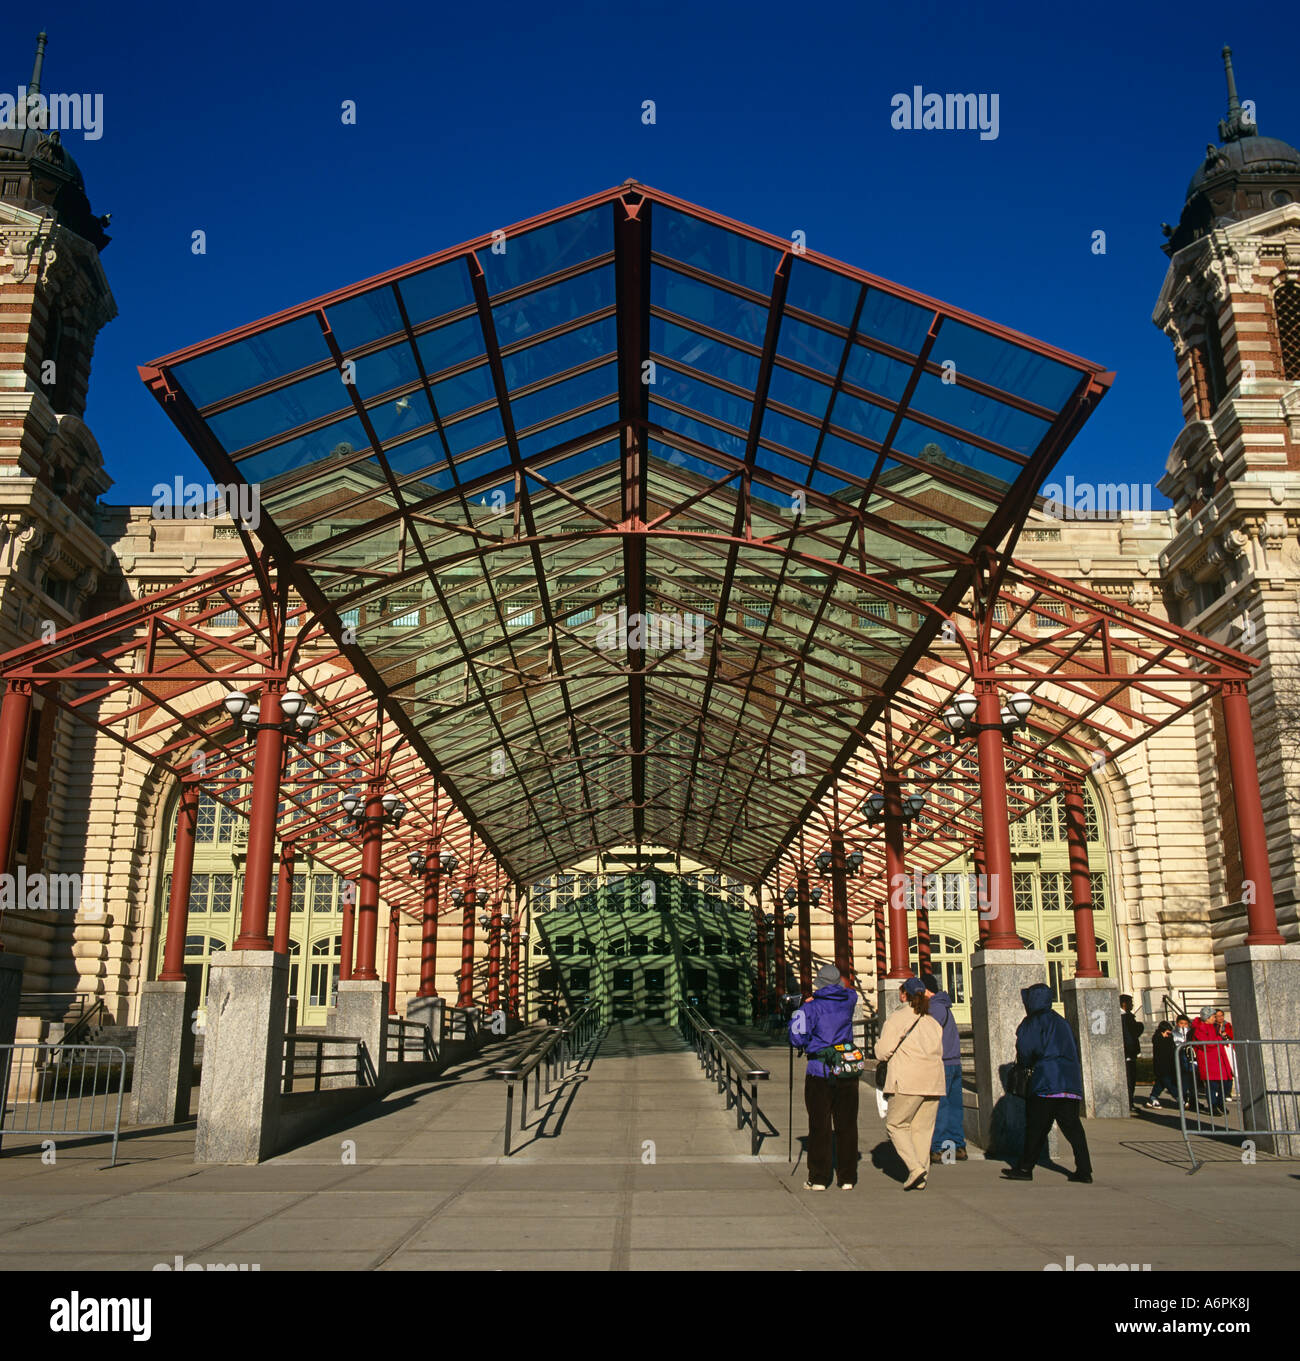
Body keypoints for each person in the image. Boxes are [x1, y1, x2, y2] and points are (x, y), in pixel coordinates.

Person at [1001, 983, 1093, 1184]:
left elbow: (1026, 1049)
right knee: (1073, 1128)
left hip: (1046, 1082)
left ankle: (1025, 1167)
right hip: (1069, 1083)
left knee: (1036, 1128)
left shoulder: (1033, 1021)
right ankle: (1084, 1169)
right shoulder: (1061, 1022)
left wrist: (1026, 1064)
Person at [788, 962, 860, 1191]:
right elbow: (850, 991)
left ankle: (819, 1177)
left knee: (819, 1125)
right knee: (847, 1125)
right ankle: (847, 1177)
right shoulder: (849, 1001)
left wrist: (804, 1006)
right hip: (846, 1070)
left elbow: (797, 1037)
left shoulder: (810, 1008)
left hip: (819, 1071)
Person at [875, 977, 945, 1191]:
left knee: (896, 1124)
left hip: (907, 1081)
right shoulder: (932, 1021)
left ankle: (915, 1168)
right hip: (933, 1081)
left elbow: (882, 1051)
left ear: (904, 994)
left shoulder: (897, 1018)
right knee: (922, 1130)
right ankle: (921, 1175)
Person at [921, 971, 967, 1163]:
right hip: (954, 1062)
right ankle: (957, 1147)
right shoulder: (944, 1006)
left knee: (941, 1106)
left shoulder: (934, 1009)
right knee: (955, 1106)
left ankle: (939, 1148)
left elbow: (926, 1036)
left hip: (943, 1063)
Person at [1190, 1007, 1230, 1115]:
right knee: (1212, 1085)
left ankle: (1220, 1103)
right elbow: (1206, 1044)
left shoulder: (1213, 1027)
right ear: (1207, 1018)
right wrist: (1219, 1039)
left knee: (1224, 1083)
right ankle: (1213, 1106)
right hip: (1208, 1061)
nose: (1215, 1018)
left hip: (1217, 1059)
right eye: (1213, 1016)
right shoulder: (1199, 1028)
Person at [1120, 995, 1144, 1109]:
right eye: (1130, 1002)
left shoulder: (1126, 1016)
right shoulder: (1125, 1017)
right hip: (1127, 1054)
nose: (1132, 1005)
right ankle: (1129, 1103)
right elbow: (1130, 1034)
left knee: (1130, 1080)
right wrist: (1140, 1026)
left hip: (1128, 1052)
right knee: (1129, 1080)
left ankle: (1129, 1102)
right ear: (1124, 1004)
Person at [1146, 1020, 1177, 1108]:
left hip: (1169, 1065)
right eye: (1167, 1033)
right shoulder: (1158, 1039)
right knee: (1168, 1083)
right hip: (1161, 1066)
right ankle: (1179, 1098)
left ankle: (1153, 1097)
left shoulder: (1169, 1038)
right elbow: (1162, 1052)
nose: (1169, 1035)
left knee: (1161, 1083)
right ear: (1162, 1031)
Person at [1172, 1014, 1196, 1108]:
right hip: (1181, 1059)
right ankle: (1184, 1099)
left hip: (1191, 1059)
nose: (1183, 1025)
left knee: (1193, 1081)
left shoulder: (1190, 1032)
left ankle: (1193, 1100)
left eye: (1185, 1023)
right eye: (1181, 1023)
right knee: (1183, 1080)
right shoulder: (1174, 1033)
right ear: (1177, 1024)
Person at [1213, 1010, 1236, 1103]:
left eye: (1221, 1015)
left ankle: (1228, 1093)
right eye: (1218, 1016)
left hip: (1228, 1050)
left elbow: (1232, 1036)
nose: (1220, 1018)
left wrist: (1227, 1036)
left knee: (1229, 1072)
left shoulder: (1228, 1025)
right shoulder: (1213, 1026)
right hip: (1218, 1051)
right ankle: (1219, 1091)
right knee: (1219, 1072)